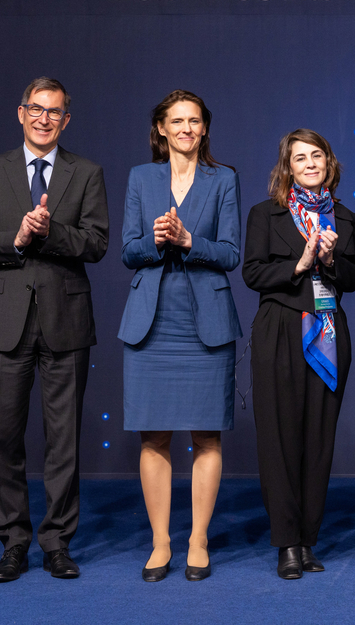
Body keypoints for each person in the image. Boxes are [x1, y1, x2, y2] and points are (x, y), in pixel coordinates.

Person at [0, 77, 109, 583]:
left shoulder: (86, 172)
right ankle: (13, 542)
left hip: (66, 322)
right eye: (36, 109)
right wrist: (16, 238)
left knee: (63, 441)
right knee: (6, 438)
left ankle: (57, 543)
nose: (44, 119)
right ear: (20, 113)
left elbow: (96, 243)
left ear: (67, 120)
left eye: (55, 112)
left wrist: (51, 232)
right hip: (3, 324)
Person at [117, 90, 241, 582]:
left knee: (206, 437)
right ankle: (161, 542)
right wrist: (155, 240)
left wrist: (190, 241)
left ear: (204, 128)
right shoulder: (140, 178)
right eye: (177, 120)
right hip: (152, 321)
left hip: (205, 321)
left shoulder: (223, 178)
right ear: (161, 129)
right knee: (154, 437)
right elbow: (128, 251)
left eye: (194, 120)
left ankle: (198, 540)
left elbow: (231, 253)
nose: (186, 128)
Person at [243, 129, 355, 579]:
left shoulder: (346, 217)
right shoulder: (266, 213)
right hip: (280, 329)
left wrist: (331, 262)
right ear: (287, 167)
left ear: (328, 162)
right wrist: (300, 263)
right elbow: (252, 273)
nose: (310, 163)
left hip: (330, 332)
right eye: (300, 158)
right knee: (279, 439)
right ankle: (286, 543)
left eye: (317, 155)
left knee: (318, 440)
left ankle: (308, 540)